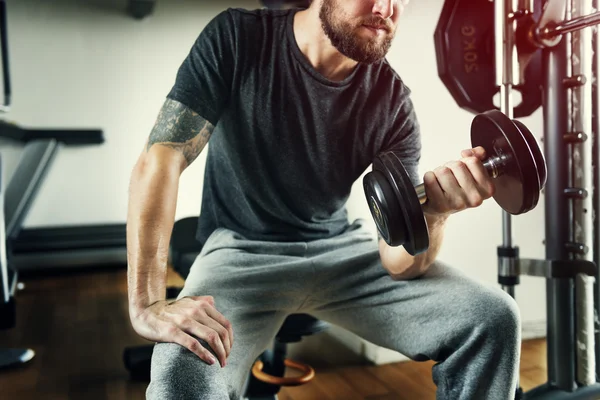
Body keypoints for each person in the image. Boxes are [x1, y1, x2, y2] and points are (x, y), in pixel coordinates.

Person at [126, 0, 521, 399]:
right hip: (240, 253)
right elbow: (162, 157)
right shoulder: (237, 37)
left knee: (492, 317)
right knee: (182, 373)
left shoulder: (393, 104)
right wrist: (147, 304)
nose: (387, 7)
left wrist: (434, 215)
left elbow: (398, 263)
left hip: (339, 252)